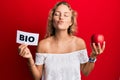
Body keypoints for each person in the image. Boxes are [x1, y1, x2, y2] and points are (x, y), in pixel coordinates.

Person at [18, 1, 105, 80]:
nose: (61, 17)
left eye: (66, 15)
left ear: (71, 21)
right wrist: (29, 59)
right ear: (52, 20)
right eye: (57, 14)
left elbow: (86, 72)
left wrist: (93, 56)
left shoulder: (79, 43)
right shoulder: (43, 45)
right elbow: (37, 77)